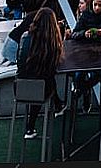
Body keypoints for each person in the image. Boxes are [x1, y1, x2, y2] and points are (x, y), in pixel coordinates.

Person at [17, 7, 66, 138]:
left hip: (19, 87)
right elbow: (55, 65)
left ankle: (57, 106)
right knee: (47, 78)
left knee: (42, 78)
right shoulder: (52, 44)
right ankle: (58, 106)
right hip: (40, 89)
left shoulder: (25, 37)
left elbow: (20, 59)